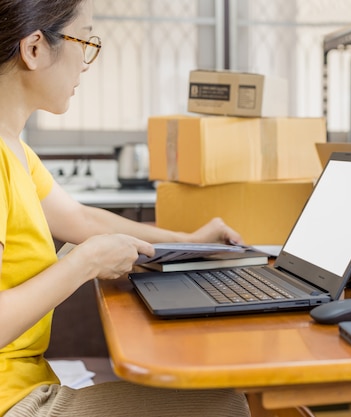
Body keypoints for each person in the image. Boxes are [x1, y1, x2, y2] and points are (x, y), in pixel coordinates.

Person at [0, 0, 251, 415]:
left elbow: (81, 219)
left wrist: (186, 241)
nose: (86, 62)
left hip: (26, 382)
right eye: (84, 41)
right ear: (35, 49)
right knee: (225, 406)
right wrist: (86, 262)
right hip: (14, 403)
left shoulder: (17, 152)